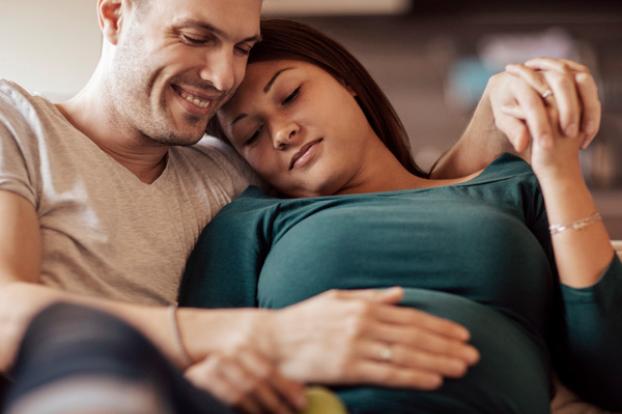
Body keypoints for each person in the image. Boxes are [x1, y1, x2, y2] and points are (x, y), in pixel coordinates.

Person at [0, 0, 602, 412]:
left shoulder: (232, 169)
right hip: (85, 376)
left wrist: (501, 112)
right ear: (113, 13)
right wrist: (271, 337)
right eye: (195, 35)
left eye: (241, 46)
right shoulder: (18, 121)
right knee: (86, 343)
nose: (220, 76)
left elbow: (412, 195)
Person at [179, 19, 622, 413]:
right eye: (252, 134)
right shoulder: (251, 222)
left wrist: (557, 170)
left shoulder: (510, 189)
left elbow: (610, 372)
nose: (281, 132)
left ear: (345, 79)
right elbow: (206, 370)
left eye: (291, 95)